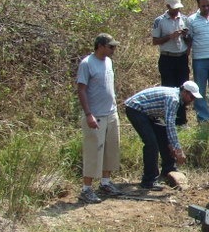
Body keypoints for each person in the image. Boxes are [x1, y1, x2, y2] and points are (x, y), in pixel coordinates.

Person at [124, 82, 202, 190]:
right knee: (151, 144)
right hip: (136, 109)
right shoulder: (173, 99)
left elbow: (167, 126)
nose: (192, 100)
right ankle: (148, 181)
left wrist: (172, 145)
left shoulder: (176, 97)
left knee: (164, 136)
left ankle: (168, 170)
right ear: (184, 92)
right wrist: (178, 150)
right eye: (191, 97)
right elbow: (170, 124)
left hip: (148, 113)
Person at [76, 33, 122, 204]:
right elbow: (81, 89)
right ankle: (86, 189)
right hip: (96, 115)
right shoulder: (87, 64)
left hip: (111, 113)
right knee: (93, 152)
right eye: (111, 46)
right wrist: (89, 114)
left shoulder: (109, 61)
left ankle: (105, 183)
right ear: (101, 46)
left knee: (111, 150)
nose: (113, 49)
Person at [151, 0, 190, 126]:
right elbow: (155, 41)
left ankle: (182, 120)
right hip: (167, 58)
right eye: (174, 8)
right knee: (168, 89)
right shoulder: (159, 21)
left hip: (182, 58)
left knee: (183, 89)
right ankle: (169, 120)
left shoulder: (184, 19)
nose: (177, 10)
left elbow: (190, 40)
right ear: (167, 6)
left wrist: (185, 36)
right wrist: (170, 36)